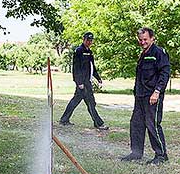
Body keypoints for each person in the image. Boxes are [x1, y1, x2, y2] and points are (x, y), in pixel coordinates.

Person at [121, 28, 170, 165]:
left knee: (152, 124)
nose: (142, 42)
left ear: (152, 38)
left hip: (152, 96)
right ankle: (136, 153)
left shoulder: (159, 53)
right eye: (140, 40)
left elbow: (165, 73)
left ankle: (161, 155)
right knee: (136, 123)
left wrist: (157, 91)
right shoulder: (143, 54)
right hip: (140, 95)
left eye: (145, 39)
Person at [59, 32, 109, 130]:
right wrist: (79, 82)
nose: (89, 42)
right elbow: (76, 68)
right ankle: (99, 123)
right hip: (82, 83)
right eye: (88, 40)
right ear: (84, 39)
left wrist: (98, 78)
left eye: (91, 40)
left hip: (87, 82)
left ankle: (64, 119)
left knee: (77, 101)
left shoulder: (89, 52)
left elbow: (92, 67)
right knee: (90, 103)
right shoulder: (79, 51)